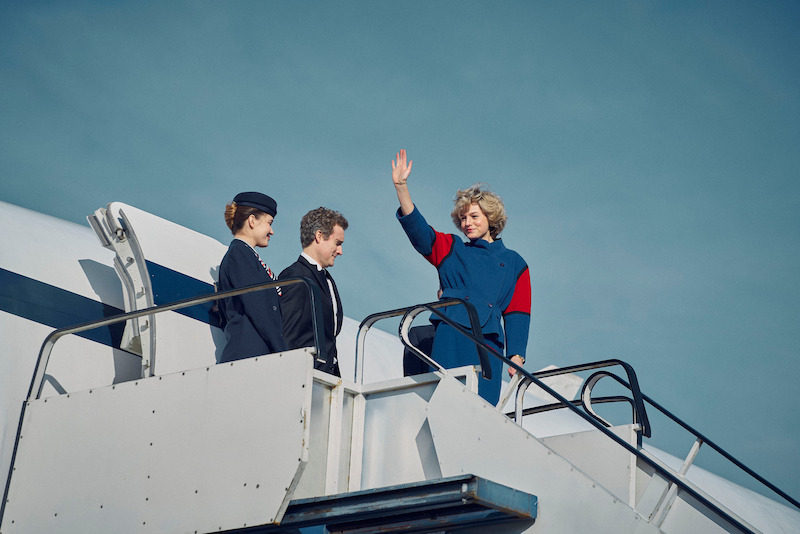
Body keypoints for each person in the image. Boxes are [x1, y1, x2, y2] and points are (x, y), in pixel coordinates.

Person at [391, 149, 531, 404]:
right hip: (450, 335)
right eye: (463, 217)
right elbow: (421, 233)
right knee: (446, 404)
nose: (467, 222)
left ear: (491, 218)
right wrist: (401, 187)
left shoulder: (514, 263)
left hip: (488, 343)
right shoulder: (453, 249)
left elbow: (517, 312)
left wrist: (517, 355)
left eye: (474, 216)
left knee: (481, 410)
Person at [217, 191, 288, 363]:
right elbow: (259, 307)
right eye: (269, 223)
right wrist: (283, 351)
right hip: (247, 355)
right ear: (252, 220)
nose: (272, 231)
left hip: (257, 355)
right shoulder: (239, 254)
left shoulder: (248, 256)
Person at [279, 207, 348, 377]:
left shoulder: (328, 280)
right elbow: (287, 334)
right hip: (303, 376)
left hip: (326, 379)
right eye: (337, 243)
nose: (340, 251)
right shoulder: (295, 276)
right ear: (319, 236)